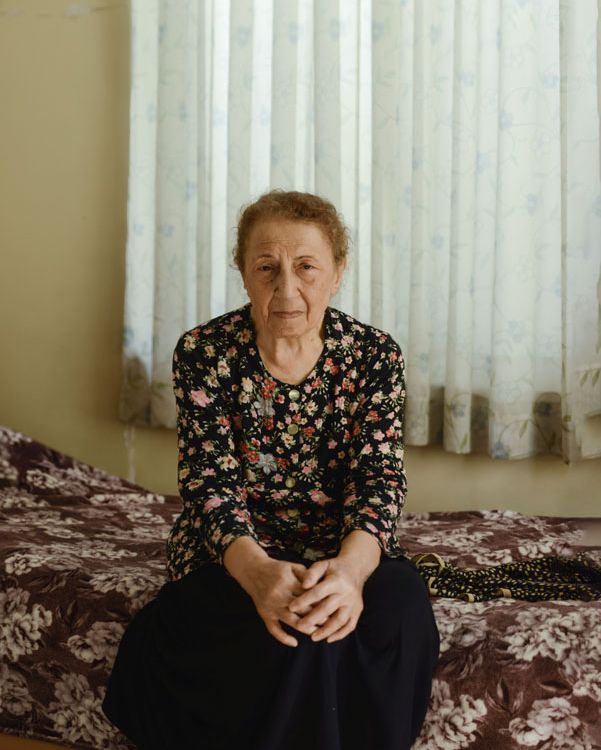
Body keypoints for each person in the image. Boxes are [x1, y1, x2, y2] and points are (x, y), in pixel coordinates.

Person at [103, 191, 440, 750]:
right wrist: (259, 574)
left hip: (344, 543)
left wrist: (350, 573)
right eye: (267, 267)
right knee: (288, 639)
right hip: (235, 548)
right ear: (243, 272)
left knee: (398, 615)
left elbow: (378, 480)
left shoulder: (375, 355)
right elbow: (210, 483)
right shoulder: (204, 352)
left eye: (307, 266)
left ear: (337, 273)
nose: (286, 288)